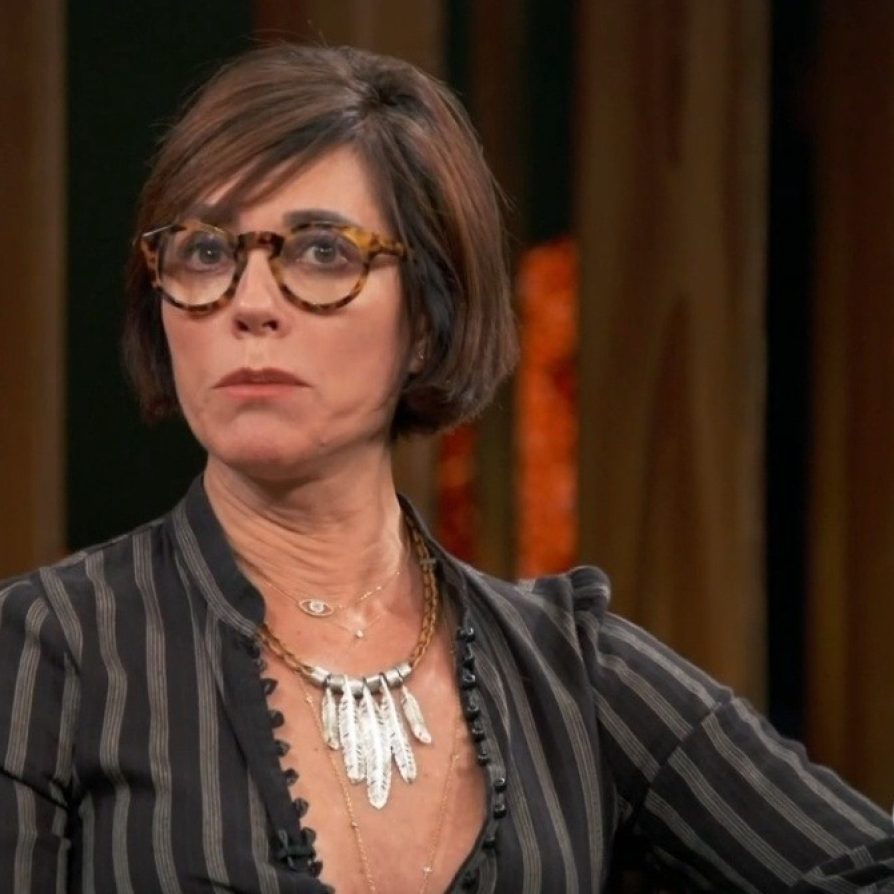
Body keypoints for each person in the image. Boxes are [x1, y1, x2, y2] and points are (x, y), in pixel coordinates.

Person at [0, 43, 892, 894]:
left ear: (427, 319)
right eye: (205, 251)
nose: (252, 303)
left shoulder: (570, 671)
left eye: (322, 252)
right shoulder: (49, 650)